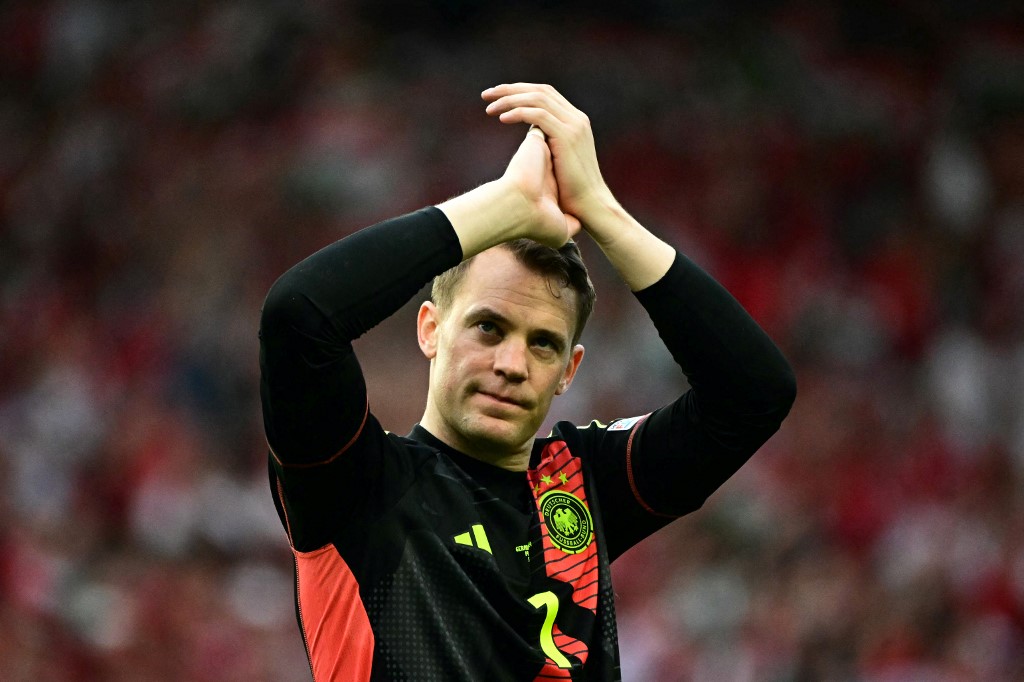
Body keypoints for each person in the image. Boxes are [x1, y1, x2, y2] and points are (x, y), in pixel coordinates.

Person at [259, 82, 796, 681]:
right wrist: (505, 203)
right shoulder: (355, 485)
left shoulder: (581, 484)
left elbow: (754, 394)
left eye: (543, 344)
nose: (513, 363)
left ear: (569, 370)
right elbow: (298, 317)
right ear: (431, 329)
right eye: (488, 327)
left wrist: (602, 210)